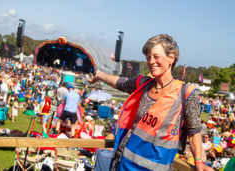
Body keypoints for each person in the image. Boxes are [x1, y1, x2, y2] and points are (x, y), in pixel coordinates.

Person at [88, 34, 213, 171]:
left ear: (171, 58)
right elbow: (119, 82)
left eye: (156, 56)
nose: (151, 61)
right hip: (123, 163)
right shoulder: (144, 84)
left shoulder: (187, 93)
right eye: (148, 57)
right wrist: (99, 75)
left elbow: (194, 131)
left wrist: (199, 161)